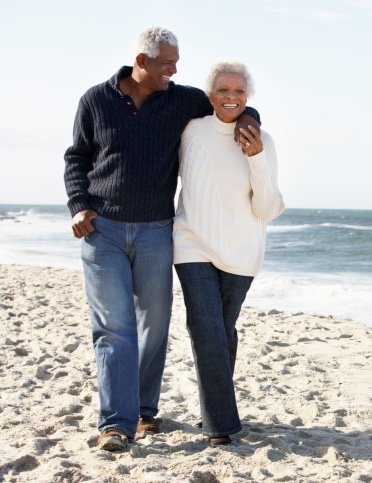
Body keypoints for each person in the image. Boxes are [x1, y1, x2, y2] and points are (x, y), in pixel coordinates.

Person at [63, 27, 260, 452]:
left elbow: (230, 103)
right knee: (114, 328)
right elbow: (76, 157)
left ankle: (144, 410)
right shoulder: (95, 101)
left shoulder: (181, 100)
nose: (174, 69)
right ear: (142, 61)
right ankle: (116, 424)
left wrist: (250, 119)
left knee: (153, 328)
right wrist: (78, 204)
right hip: (103, 231)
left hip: (156, 230)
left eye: (176, 62)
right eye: (167, 62)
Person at [173, 60, 285, 447]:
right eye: (223, 90)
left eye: (239, 91)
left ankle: (213, 410)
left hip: (242, 252)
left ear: (247, 97)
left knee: (221, 332)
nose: (231, 97)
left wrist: (255, 158)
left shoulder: (262, 140)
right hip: (192, 243)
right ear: (210, 96)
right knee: (205, 328)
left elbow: (267, 209)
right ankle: (221, 426)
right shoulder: (191, 131)